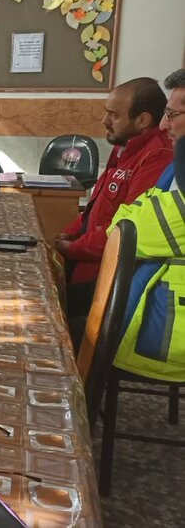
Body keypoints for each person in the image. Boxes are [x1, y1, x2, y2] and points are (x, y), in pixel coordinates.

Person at [52, 77, 171, 327]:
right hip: (84, 262)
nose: (104, 121)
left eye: (114, 115)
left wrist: (72, 248)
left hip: (106, 277)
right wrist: (68, 233)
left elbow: (126, 229)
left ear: (143, 120)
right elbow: (96, 206)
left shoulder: (157, 156)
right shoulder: (123, 146)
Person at [107, 136, 185, 382]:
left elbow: (124, 233)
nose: (164, 125)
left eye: (174, 117)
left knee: (63, 335)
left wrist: (136, 214)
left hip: (167, 338)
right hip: (154, 308)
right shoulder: (173, 169)